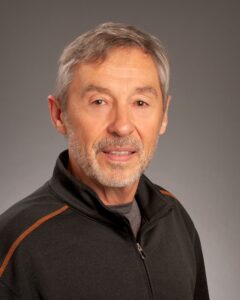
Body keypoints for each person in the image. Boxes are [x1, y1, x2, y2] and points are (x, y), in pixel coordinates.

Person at [0, 22, 210, 299]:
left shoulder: (174, 218)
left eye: (140, 103)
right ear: (59, 114)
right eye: (99, 102)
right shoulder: (15, 246)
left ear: (164, 115)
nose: (122, 126)